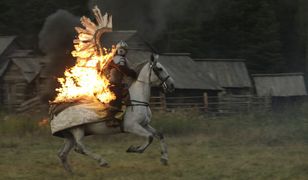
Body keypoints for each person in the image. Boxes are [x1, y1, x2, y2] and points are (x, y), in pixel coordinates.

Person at [106, 40, 137, 120]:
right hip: (114, 84)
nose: (121, 50)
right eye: (120, 48)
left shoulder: (115, 59)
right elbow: (123, 69)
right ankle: (110, 118)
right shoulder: (119, 59)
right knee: (117, 99)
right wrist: (133, 74)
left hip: (118, 84)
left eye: (123, 49)